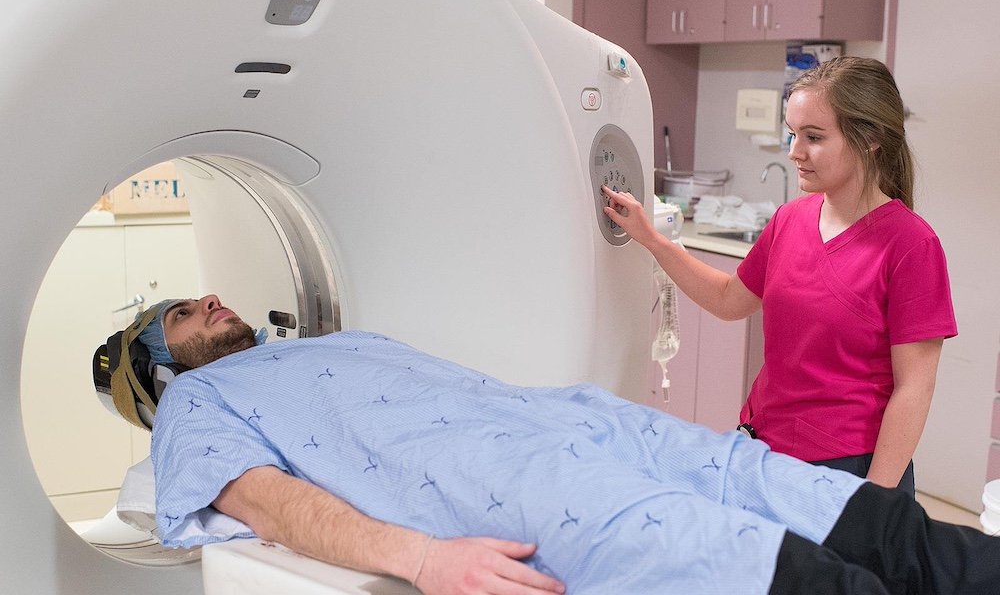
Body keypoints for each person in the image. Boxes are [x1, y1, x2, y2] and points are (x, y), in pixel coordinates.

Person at [124, 295, 998, 595]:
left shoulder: (333, 341)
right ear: (157, 367)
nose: (211, 304)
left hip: (586, 423)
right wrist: (422, 559)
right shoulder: (194, 406)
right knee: (787, 575)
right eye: (183, 316)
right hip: (521, 484)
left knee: (881, 529)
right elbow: (269, 502)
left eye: (207, 298)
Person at [603, 56, 955, 496]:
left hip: (846, 470)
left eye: (813, 137)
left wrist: (874, 504)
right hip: (762, 448)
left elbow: (914, 388)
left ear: (870, 140)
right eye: (792, 133)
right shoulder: (791, 219)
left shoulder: (910, 245)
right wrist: (652, 239)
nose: (794, 151)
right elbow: (730, 299)